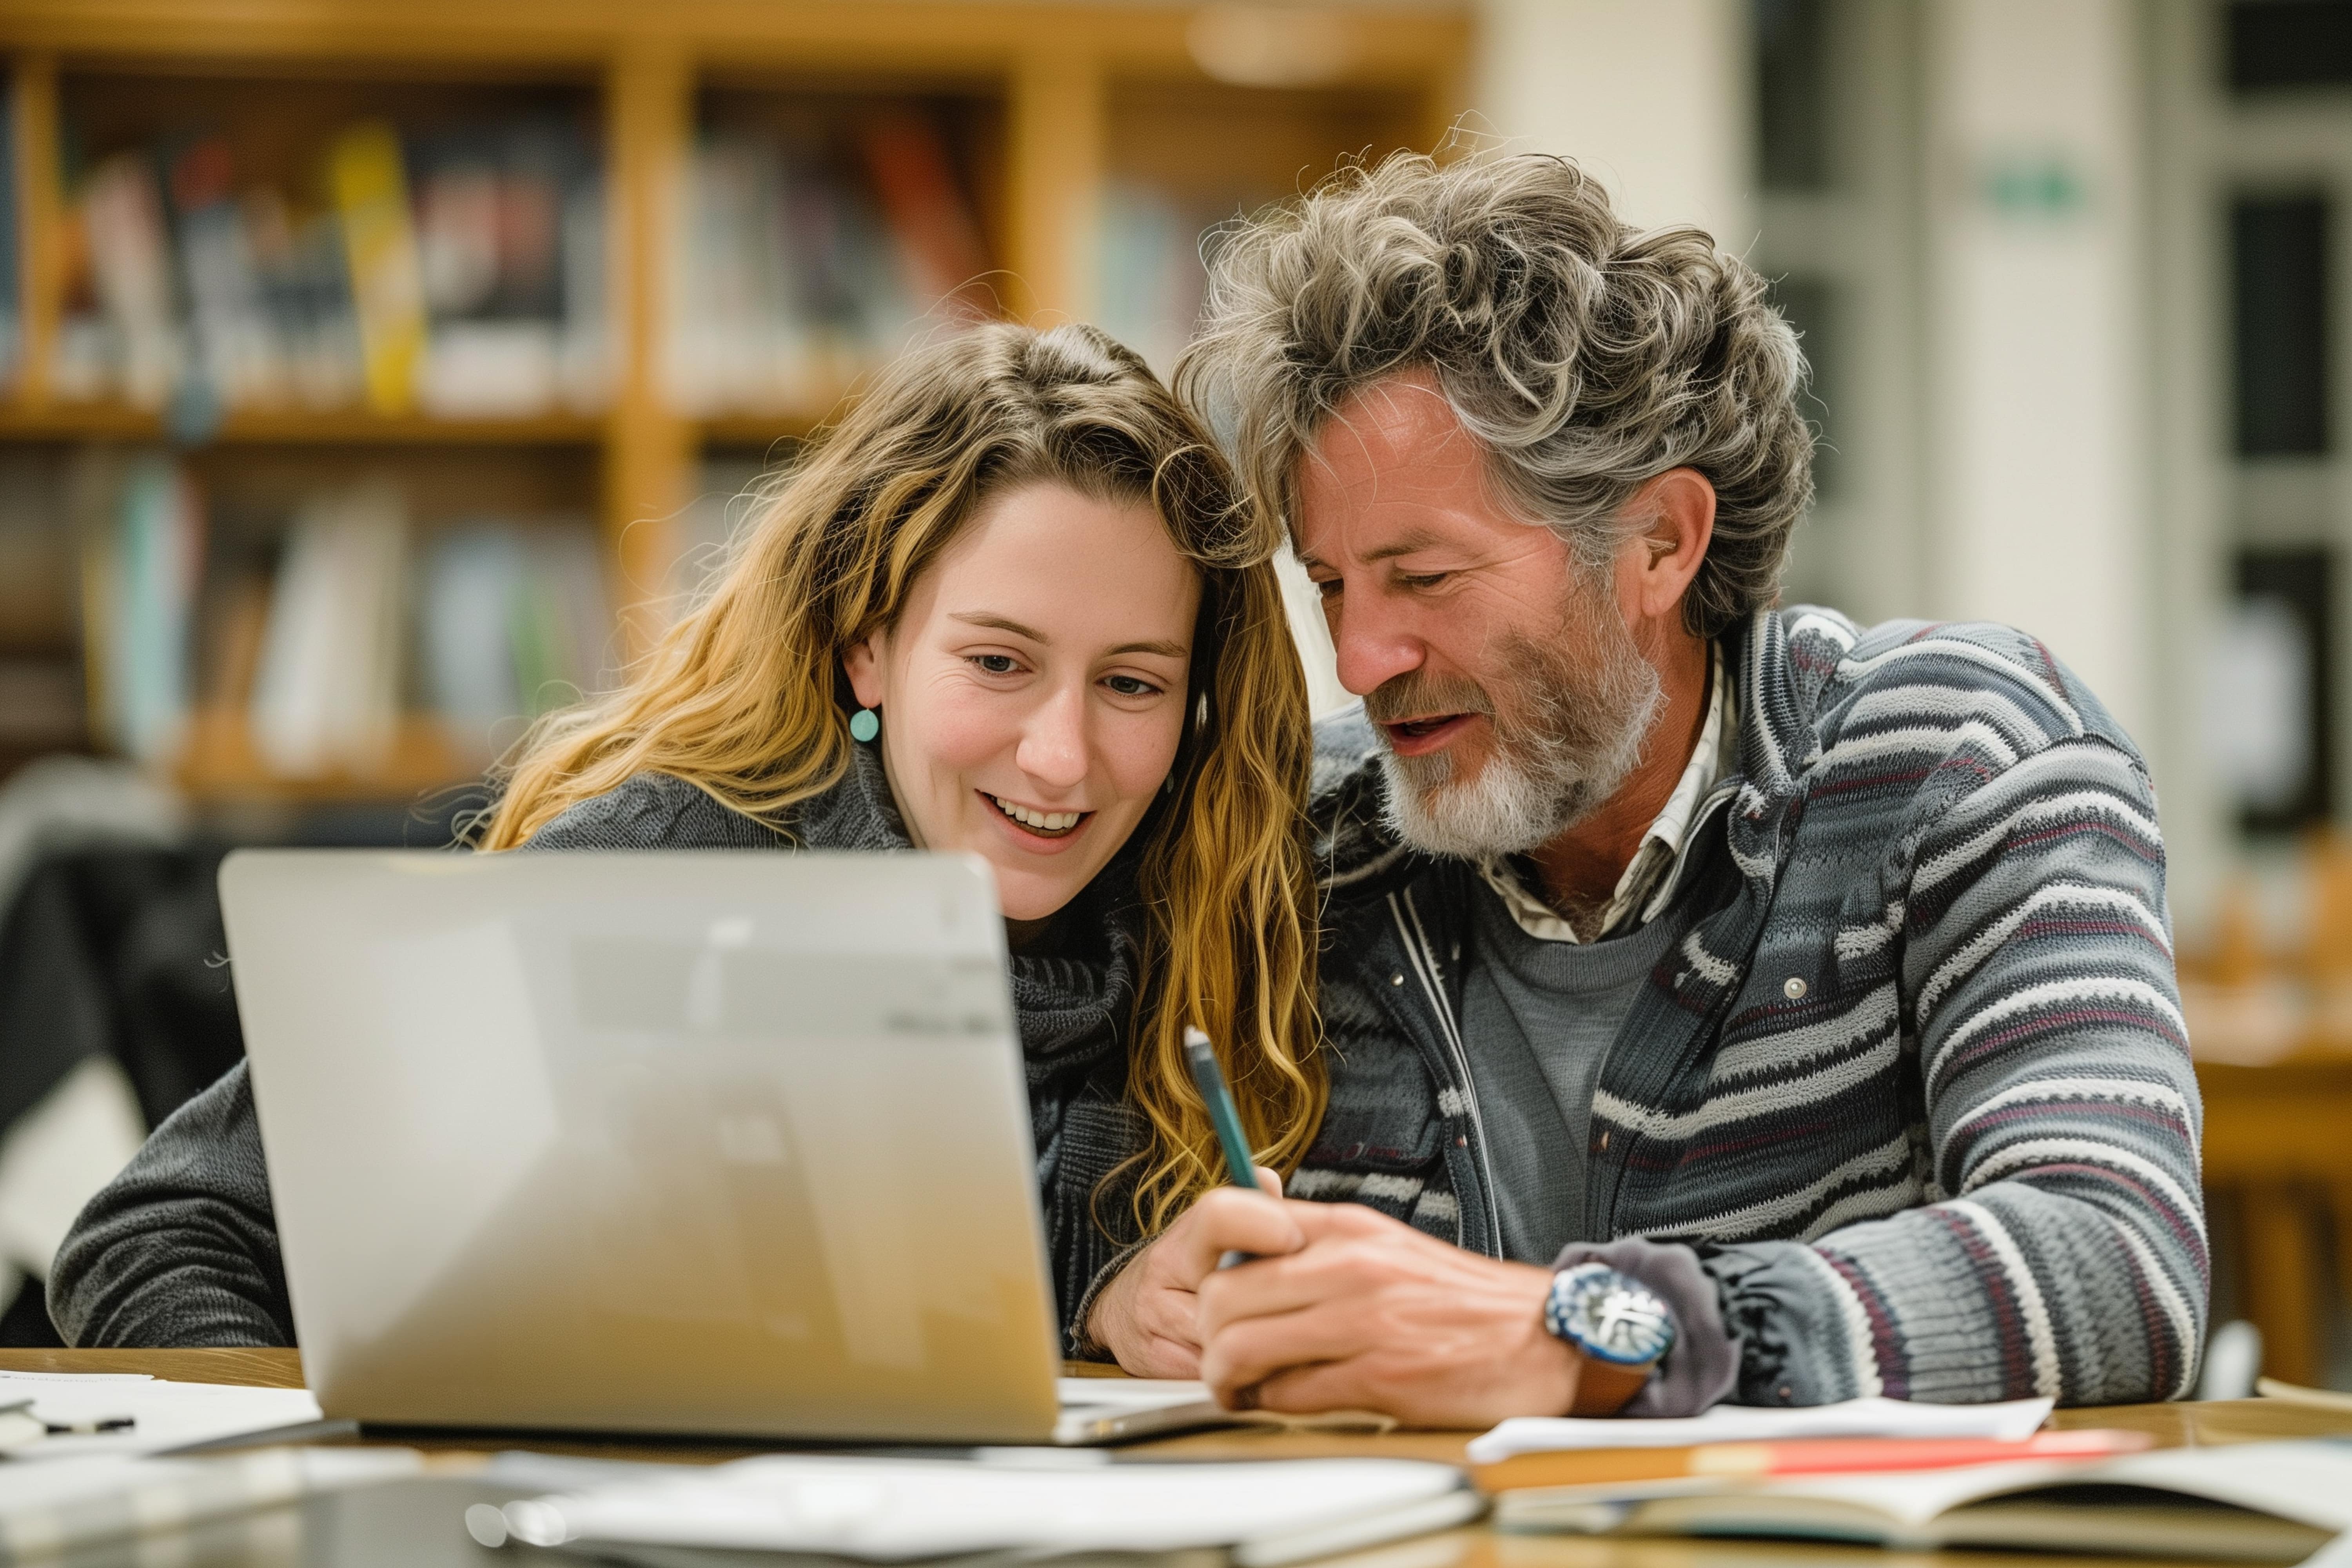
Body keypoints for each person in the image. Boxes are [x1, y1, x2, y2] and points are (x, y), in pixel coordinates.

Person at [1083, 153, 2205, 1423]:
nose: (1358, 661)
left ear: (1661, 542)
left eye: (1427, 578)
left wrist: (1589, 1335)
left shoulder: (1959, 752)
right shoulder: (1316, 840)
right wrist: (1120, 1293)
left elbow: (2119, 1261)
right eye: (1334, 583)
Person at [49, 322, 1323, 1350]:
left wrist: (1115, 1309)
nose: (1063, 756)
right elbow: (157, 1231)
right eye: (998, 661)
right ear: (865, 644)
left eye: (1134, 685)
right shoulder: (662, 868)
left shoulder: (1214, 897)